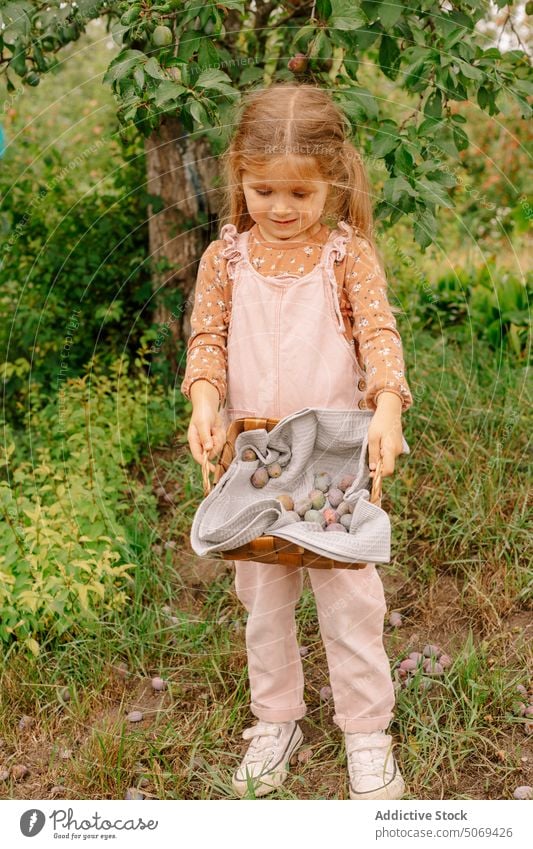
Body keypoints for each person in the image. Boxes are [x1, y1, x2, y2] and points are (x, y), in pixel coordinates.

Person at [180, 82, 414, 800]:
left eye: (298, 194)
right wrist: (204, 403)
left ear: (330, 185)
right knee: (263, 599)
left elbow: (378, 339)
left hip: (332, 466)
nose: (279, 208)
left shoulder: (348, 256)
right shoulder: (225, 259)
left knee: (349, 600)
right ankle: (275, 716)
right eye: (263, 190)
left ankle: (366, 730)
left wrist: (386, 410)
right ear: (240, 179)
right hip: (254, 463)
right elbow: (208, 340)